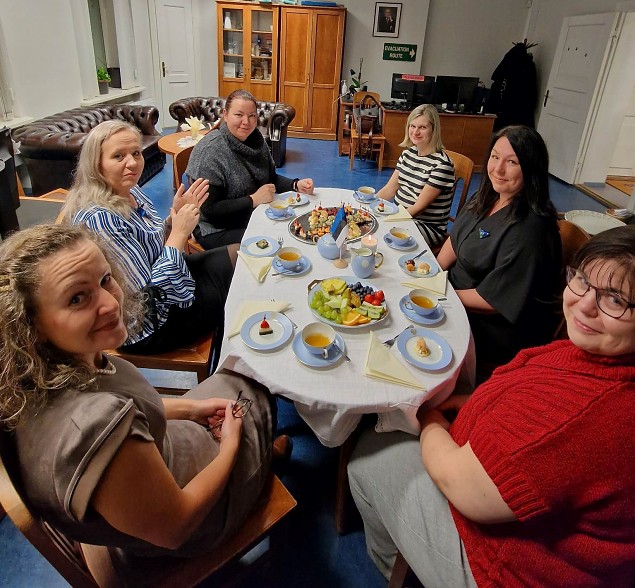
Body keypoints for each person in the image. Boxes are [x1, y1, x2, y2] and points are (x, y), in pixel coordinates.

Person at [348, 225, 635, 587]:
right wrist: (475, 401)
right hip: (492, 479)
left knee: (368, 454)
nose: (585, 305)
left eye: (615, 300)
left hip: (504, 565)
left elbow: (461, 485)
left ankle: (395, 569)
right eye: (582, 280)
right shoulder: (595, 359)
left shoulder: (598, 417)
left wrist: (430, 418)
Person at [0, 224, 276, 576]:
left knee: (233, 374)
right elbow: (178, 526)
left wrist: (191, 408)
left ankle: (261, 451)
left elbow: (131, 413)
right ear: (31, 324)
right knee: (257, 383)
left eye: (105, 281)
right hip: (198, 518)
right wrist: (231, 446)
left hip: (158, 464)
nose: (110, 303)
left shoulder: (52, 368)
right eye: (77, 298)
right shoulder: (93, 429)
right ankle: (264, 458)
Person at [64, 119, 236, 355]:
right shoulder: (100, 219)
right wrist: (180, 232)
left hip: (166, 275)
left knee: (239, 256)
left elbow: (152, 244)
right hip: (149, 323)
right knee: (235, 293)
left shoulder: (130, 190)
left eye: (136, 153)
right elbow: (147, 295)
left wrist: (173, 220)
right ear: (96, 164)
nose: (132, 163)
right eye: (118, 156)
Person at [436, 125, 561, 367]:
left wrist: (439, 294)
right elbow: (455, 239)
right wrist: (431, 274)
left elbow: (494, 301)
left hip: (487, 329)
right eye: (494, 157)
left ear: (531, 168)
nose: (498, 169)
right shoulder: (489, 196)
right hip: (452, 295)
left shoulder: (531, 231)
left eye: (512, 162)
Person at [185, 89, 314, 249]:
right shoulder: (211, 151)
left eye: (252, 115)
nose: (246, 121)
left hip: (250, 214)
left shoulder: (256, 140)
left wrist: (295, 184)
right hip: (215, 229)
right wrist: (253, 200)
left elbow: (270, 178)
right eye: (239, 115)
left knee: (295, 227)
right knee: (276, 241)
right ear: (225, 115)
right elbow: (210, 211)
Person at [376, 104, 455, 247]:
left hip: (426, 226)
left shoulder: (442, 165)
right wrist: (369, 207)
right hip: (401, 216)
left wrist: (388, 221)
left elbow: (418, 208)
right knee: (368, 224)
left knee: (379, 234)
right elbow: (389, 189)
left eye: (422, 127)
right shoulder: (408, 154)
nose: (415, 132)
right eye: (412, 126)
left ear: (434, 130)